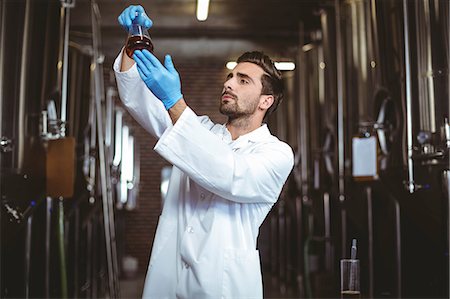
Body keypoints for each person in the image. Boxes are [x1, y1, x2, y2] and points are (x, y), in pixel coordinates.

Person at [114, 5, 294, 299]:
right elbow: (140, 101)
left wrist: (175, 100)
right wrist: (134, 40)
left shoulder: (276, 154)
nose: (229, 83)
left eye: (243, 80)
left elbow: (228, 173)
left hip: (223, 290)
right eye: (231, 76)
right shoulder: (201, 130)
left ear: (266, 101)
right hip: (170, 283)